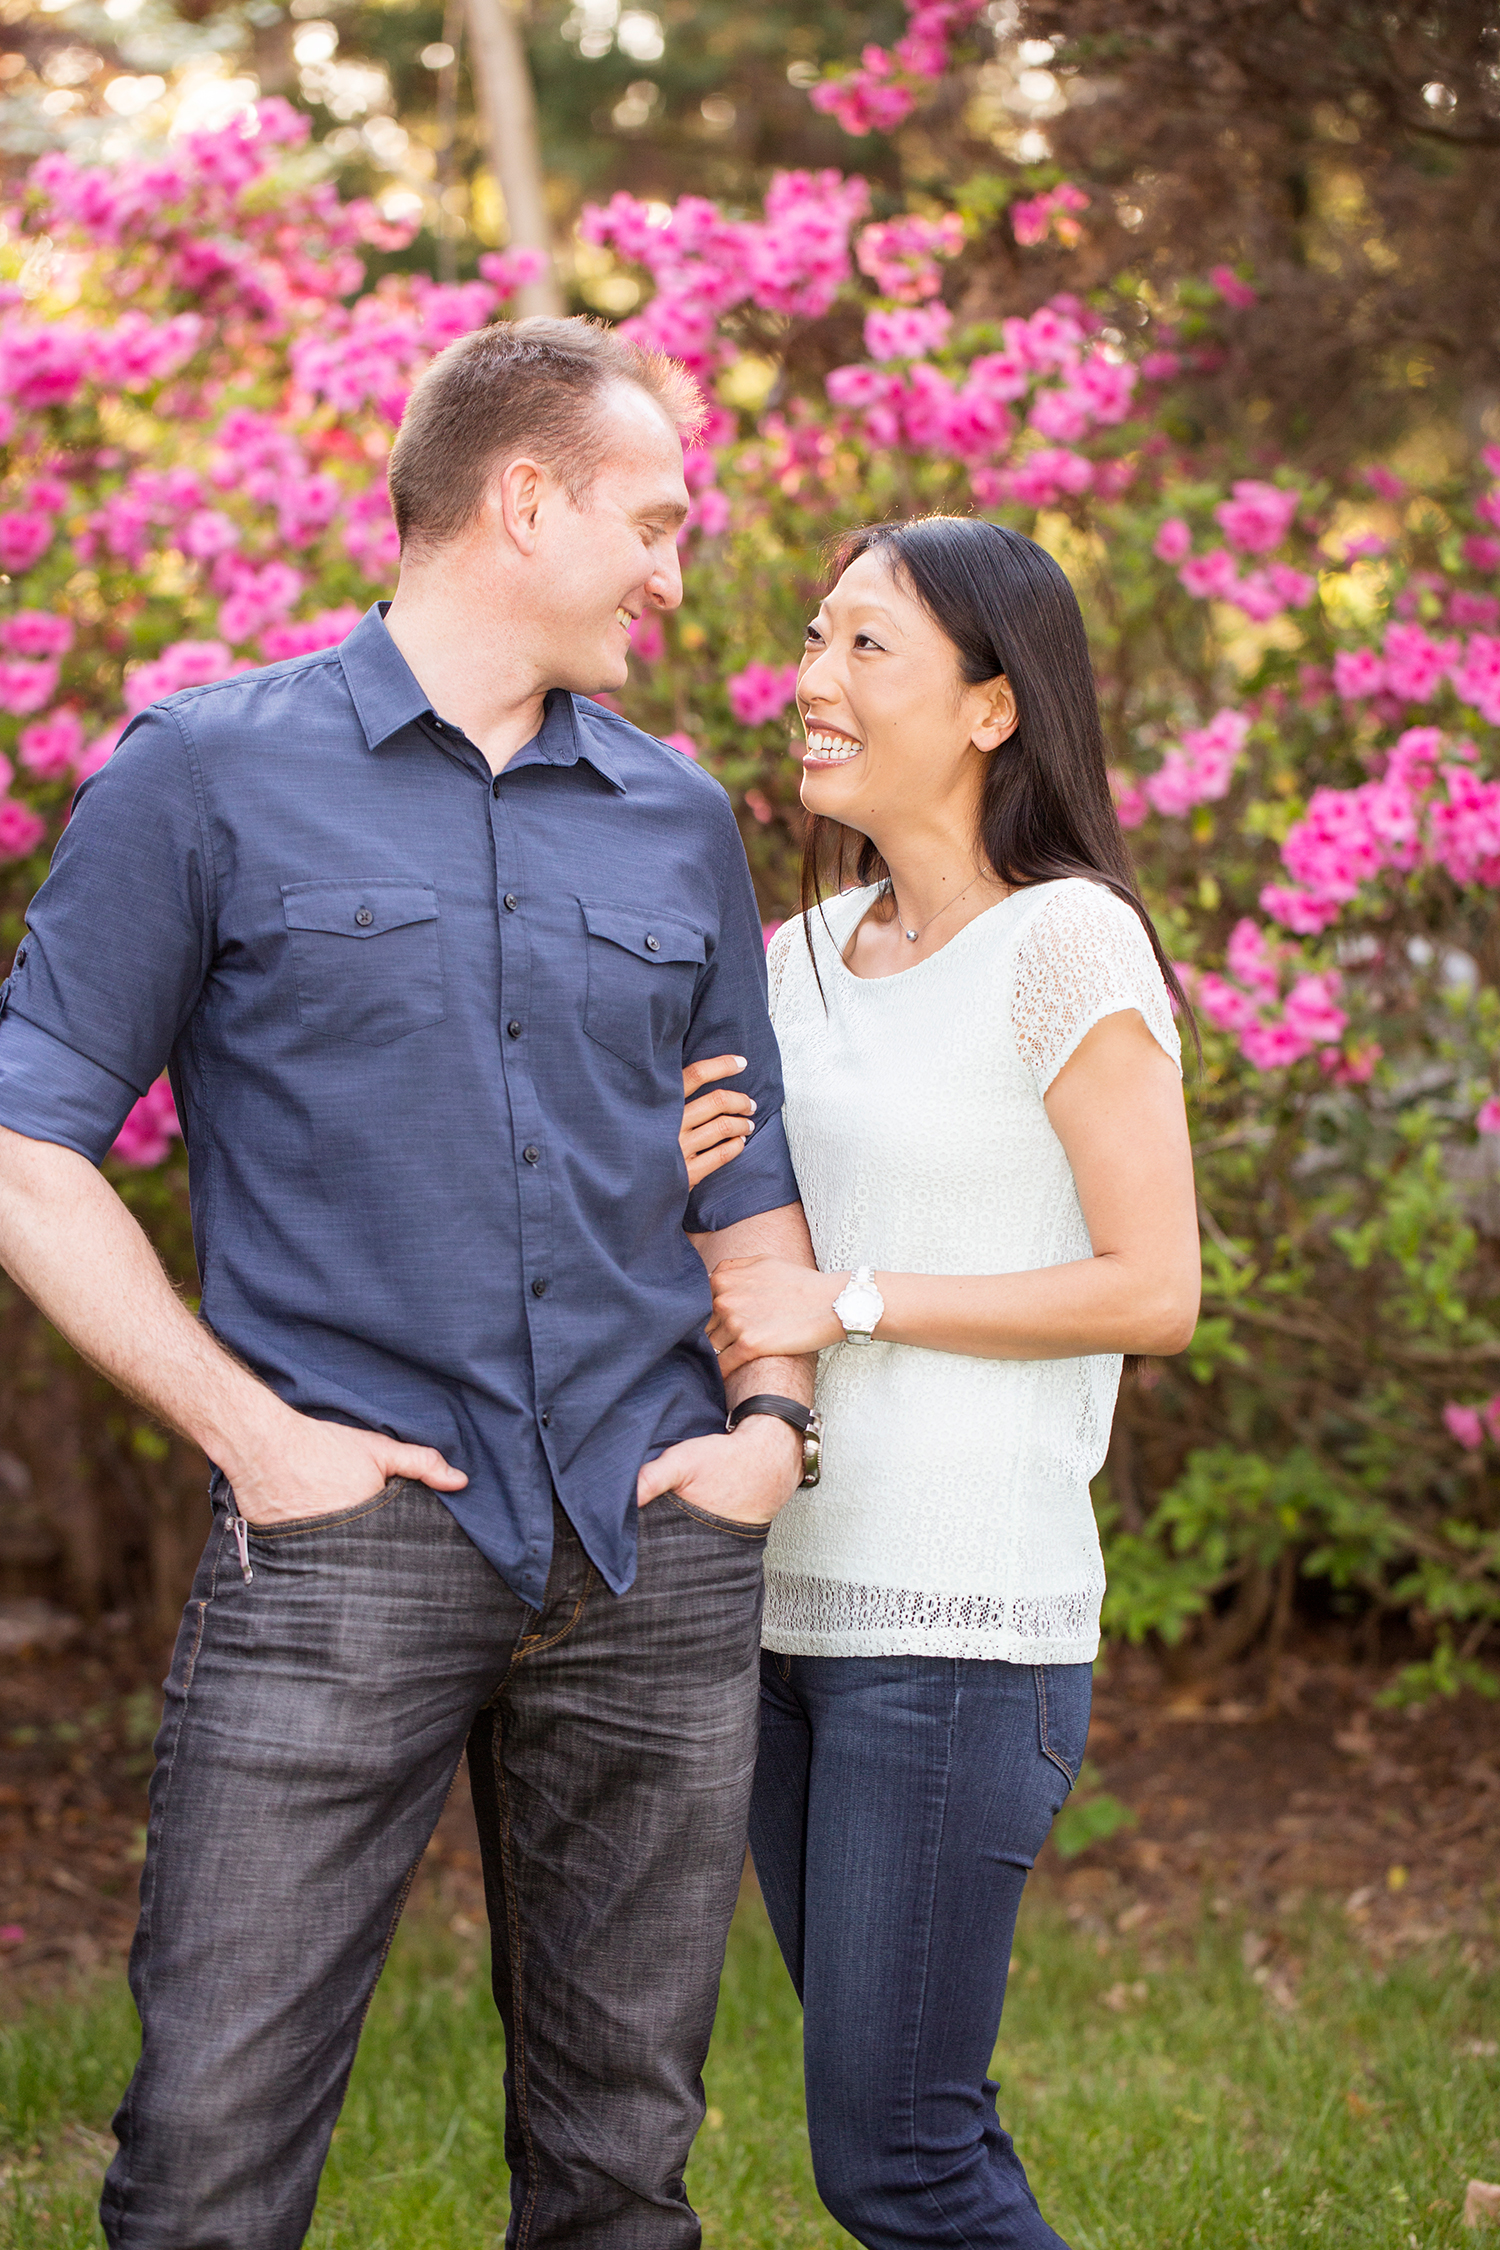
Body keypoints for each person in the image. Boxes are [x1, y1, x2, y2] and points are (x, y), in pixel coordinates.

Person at [0, 316, 820, 2250]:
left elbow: (748, 1183)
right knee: (204, 2165)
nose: (674, 573)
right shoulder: (207, 776)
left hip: (652, 1540)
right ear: (522, 499)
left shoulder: (679, 818)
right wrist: (250, 1435)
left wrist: (772, 1432)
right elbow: (29, 1144)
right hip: (346, 1541)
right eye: (654, 520)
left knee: (626, 2177)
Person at [700, 516, 1202, 2249]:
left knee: (897, 2157)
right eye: (813, 636)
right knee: (913, 2125)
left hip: (961, 1630)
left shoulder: (1065, 944)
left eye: (866, 647)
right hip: (776, 1620)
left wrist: (852, 1296)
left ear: (993, 707)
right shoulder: (793, 960)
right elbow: (741, 1254)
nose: (810, 680)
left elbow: (1156, 1285)